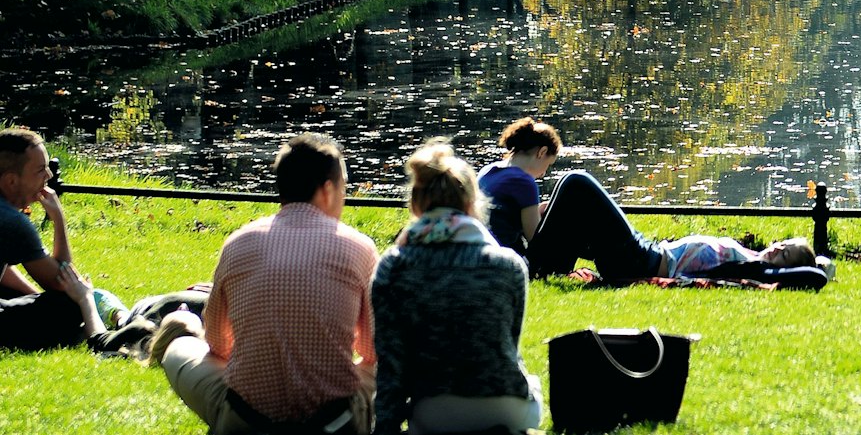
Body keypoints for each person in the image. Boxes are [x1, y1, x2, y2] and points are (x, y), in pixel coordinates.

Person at [151, 133, 378, 435]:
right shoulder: (359, 247)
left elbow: (218, 343)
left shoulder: (238, 243)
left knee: (180, 347)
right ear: (326, 191)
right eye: (344, 186)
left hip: (247, 421)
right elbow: (371, 348)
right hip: (334, 424)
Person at [478, 117, 830, 287]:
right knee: (574, 192)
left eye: (782, 255)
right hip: (643, 252)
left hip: (643, 260)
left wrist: (810, 267)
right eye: (780, 246)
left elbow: (812, 276)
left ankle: (543, 265)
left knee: (576, 182)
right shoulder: (751, 257)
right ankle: (546, 263)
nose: (774, 251)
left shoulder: (753, 269)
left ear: (782, 267)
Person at [373, 141, 540, 434]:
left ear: (415, 204)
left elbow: (391, 364)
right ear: (471, 204)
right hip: (507, 407)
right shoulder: (508, 265)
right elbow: (508, 348)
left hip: (434, 412)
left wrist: (385, 427)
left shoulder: (394, 267)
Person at [1, 128, 107, 351]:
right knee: (68, 306)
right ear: (11, 181)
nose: (48, 176)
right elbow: (62, 283)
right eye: (40, 170)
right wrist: (58, 219)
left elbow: (5, 270)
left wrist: (32, 296)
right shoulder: (11, 222)